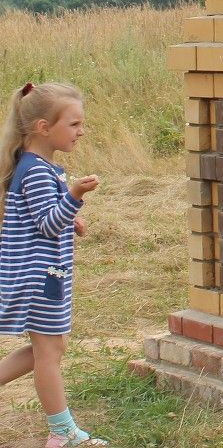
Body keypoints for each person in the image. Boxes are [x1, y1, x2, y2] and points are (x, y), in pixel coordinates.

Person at [0, 82, 105, 448]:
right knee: (48, 353)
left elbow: (42, 216)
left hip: (45, 274)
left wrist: (70, 219)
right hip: (38, 277)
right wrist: (75, 196)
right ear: (44, 127)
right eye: (74, 124)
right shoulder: (37, 171)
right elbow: (47, 223)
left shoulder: (41, 167)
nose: (81, 131)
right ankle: (62, 431)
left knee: (50, 348)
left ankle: (61, 431)